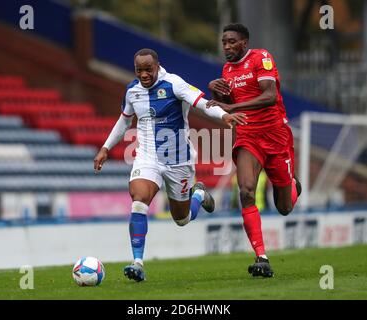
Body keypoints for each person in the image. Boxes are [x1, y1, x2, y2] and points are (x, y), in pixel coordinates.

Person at [94, 48, 247, 282]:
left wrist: (223, 115)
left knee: (182, 219)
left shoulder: (174, 84)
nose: (143, 74)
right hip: (148, 157)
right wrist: (106, 148)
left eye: (148, 69)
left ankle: (198, 195)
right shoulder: (132, 91)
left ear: (157, 66)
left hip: (179, 161)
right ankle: (137, 263)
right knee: (138, 200)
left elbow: (202, 103)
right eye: (139, 70)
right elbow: (123, 122)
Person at [207, 24, 302, 278]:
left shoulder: (262, 58)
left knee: (284, 207)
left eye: (231, 42)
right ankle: (262, 257)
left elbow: (270, 96)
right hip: (248, 136)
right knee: (246, 191)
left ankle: (292, 188)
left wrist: (233, 108)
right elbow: (231, 104)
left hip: (275, 135)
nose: (226, 46)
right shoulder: (227, 70)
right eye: (224, 42)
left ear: (244, 43)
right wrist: (217, 93)